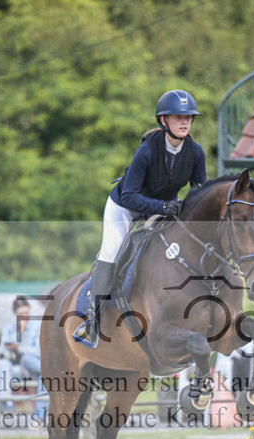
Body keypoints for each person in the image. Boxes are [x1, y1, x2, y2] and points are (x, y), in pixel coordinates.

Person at [78, 89, 208, 346]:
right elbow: (129, 195)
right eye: (177, 117)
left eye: (189, 117)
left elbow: (199, 194)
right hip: (124, 208)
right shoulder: (148, 151)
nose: (184, 122)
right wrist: (163, 206)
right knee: (111, 251)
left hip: (162, 211)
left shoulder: (195, 153)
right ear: (163, 121)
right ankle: (91, 320)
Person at [0, 296, 47, 421]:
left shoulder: (37, 326)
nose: (24, 316)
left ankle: (38, 417)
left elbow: (38, 351)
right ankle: (6, 403)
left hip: (33, 366)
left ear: (30, 310)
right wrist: (18, 333)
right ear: (15, 313)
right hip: (15, 369)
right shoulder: (10, 327)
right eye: (21, 314)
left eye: (26, 312)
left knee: (38, 369)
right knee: (2, 364)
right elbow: (4, 350)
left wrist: (18, 348)